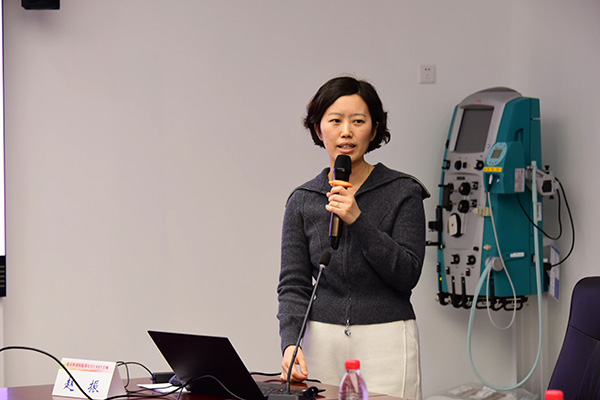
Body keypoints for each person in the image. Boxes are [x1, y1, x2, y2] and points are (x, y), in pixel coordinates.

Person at [276, 76, 429, 400]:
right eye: (335, 121)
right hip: (321, 342)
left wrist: (357, 220)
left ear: (374, 130)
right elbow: (293, 284)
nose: (346, 132)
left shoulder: (403, 192)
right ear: (318, 129)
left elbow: (407, 274)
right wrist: (290, 342)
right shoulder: (303, 200)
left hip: (387, 339)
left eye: (358, 121)